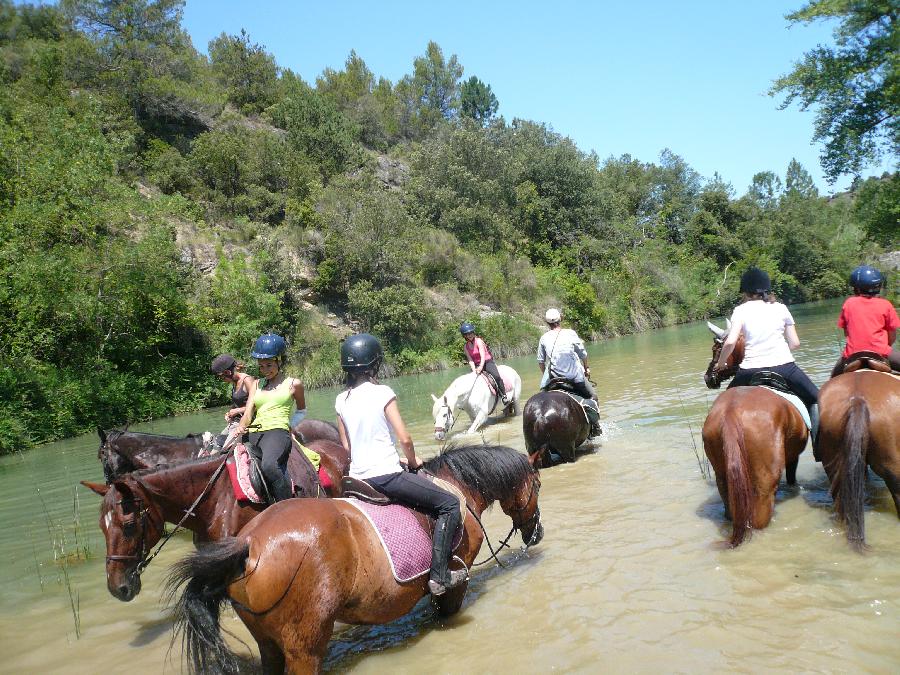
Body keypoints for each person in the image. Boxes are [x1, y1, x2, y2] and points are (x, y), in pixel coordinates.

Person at [335, 333, 467, 597]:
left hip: (358, 479)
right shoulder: (382, 392)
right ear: (375, 364)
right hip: (386, 476)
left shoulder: (341, 400)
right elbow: (404, 438)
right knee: (449, 504)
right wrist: (414, 459)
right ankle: (439, 576)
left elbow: (347, 448)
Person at [714, 267, 819, 444]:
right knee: (817, 398)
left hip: (749, 371)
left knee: (722, 406)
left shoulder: (740, 310)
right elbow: (795, 343)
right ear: (767, 289)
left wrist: (721, 363)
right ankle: (819, 444)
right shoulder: (781, 308)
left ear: (745, 291)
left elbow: (731, 342)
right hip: (784, 367)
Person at [234, 333, 307, 502]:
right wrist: (241, 426)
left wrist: (289, 425)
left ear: (280, 361)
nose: (265, 370)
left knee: (269, 465)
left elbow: (302, 411)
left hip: (277, 431)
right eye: (261, 366)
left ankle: (289, 507)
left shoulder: (293, 384)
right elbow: (248, 413)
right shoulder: (256, 384)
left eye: (269, 365)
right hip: (254, 431)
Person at [830, 265, 900, 377]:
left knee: (833, 377)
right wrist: (884, 347)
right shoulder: (885, 304)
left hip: (852, 355)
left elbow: (847, 333)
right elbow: (892, 336)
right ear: (878, 286)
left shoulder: (848, 303)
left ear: (856, 288)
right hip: (881, 352)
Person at [537, 308, 597, 401]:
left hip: (554, 378)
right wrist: (586, 368)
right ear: (560, 319)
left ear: (547, 323)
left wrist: (548, 376)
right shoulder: (571, 333)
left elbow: (541, 362)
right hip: (574, 377)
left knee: (542, 399)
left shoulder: (543, 338)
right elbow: (583, 354)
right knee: (593, 396)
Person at [460, 322, 508, 405]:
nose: (469, 335)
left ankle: (503, 395)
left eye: (471, 333)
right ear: (465, 336)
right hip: (476, 365)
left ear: (473, 333)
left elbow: (482, 356)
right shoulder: (466, 346)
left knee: (496, 376)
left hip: (486, 362)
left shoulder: (479, 341)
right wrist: (474, 369)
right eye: (467, 334)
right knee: (467, 380)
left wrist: (481, 367)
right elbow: (470, 360)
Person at [210, 354, 256, 423]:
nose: (221, 380)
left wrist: (237, 411)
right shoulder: (235, 383)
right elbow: (238, 404)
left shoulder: (247, 380)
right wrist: (230, 414)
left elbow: (257, 405)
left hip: (248, 423)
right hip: (237, 421)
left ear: (227, 372)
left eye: (221, 377)